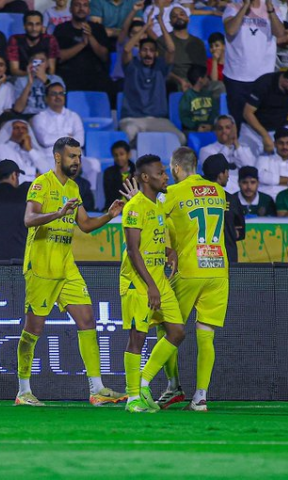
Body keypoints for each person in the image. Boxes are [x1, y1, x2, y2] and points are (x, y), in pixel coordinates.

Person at [16, 136, 127, 406]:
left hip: (66, 266)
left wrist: (110, 216)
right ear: (58, 157)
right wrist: (57, 213)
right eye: (72, 156)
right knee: (33, 329)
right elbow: (29, 219)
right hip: (41, 266)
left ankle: (97, 389)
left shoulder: (74, 188)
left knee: (87, 319)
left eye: (78, 156)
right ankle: (23, 391)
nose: (77, 161)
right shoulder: (41, 184)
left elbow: (85, 225)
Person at [153, 147, 229, 412]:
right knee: (206, 336)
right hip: (218, 269)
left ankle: (172, 385)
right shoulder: (219, 191)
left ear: (175, 168)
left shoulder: (172, 193)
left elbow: (154, 219)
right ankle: (201, 397)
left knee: (166, 327)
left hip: (189, 268)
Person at [120, 154, 186, 413]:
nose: (166, 176)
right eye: (161, 172)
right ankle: (132, 397)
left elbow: (154, 241)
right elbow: (134, 251)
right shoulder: (134, 207)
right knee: (137, 338)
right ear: (146, 177)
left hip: (159, 279)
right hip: (139, 283)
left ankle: (143, 381)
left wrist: (169, 251)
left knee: (177, 332)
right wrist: (151, 285)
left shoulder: (157, 205)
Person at [119, 18, 186, 145]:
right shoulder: (132, 66)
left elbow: (171, 49)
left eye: (151, 50)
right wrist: (144, 28)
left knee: (180, 138)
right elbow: (127, 50)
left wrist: (161, 23)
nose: (148, 54)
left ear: (156, 54)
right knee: (126, 136)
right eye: (144, 50)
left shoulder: (161, 67)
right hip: (132, 119)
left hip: (157, 120)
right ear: (139, 52)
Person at [222, 0, 286, 128]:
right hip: (237, 77)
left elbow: (280, 33)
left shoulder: (273, 8)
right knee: (238, 122)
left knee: (262, 121)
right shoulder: (233, 7)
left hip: (263, 78)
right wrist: (245, 6)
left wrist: (270, 10)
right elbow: (230, 30)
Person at [54, 0, 114, 101]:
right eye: (77, 5)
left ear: (89, 10)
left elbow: (104, 56)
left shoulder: (98, 28)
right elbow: (60, 57)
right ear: (70, 9)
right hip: (70, 75)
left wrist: (90, 37)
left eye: (85, 5)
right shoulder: (61, 29)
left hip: (95, 75)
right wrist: (82, 44)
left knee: (108, 86)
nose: (81, 8)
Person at [240, 67, 288, 157]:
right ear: (286, 81)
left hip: (280, 127)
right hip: (255, 129)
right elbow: (247, 113)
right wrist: (265, 135)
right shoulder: (264, 84)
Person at [203, 154, 245, 263]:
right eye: (227, 172)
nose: (228, 176)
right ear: (221, 174)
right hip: (228, 258)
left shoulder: (195, 200)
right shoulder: (232, 200)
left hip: (202, 258)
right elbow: (239, 233)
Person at [198, 115, 255, 195]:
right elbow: (215, 169)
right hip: (220, 192)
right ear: (215, 131)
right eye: (220, 128)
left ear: (234, 129)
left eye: (227, 128)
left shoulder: (244, 148)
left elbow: (250, 170)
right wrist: (227, 145)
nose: (224, 131)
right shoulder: (206, 150)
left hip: (242, 193)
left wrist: (236, 145)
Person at [157, 6, 207, 92]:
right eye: (174, 16)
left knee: (219, 87)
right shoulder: (162, 41)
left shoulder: (198, 42)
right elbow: (162, 69)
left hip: (196, 79)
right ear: (170, 23)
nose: (178, 17)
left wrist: (202, 81)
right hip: (174, 80)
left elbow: (203, 68)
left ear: (188, 19)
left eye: (181, 14)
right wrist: (180, 80)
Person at [0, 119, 49, 187]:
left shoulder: (32, 150)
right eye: (16, 128)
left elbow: (47, 170)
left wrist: (30, 150)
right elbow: (10, 175)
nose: (21, 131)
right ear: (9, 131)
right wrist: (35, 174)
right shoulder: (1, 149)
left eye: (24, 128)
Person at [31, 83, 84, 149]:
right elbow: (45, 140)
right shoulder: (39, 118)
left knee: (93, 160)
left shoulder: (74, 116)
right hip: (51, 156)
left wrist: (54, 138)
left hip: (74, 156)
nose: (58, 97)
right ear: (46, 98)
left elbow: (80, 141)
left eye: (61, 93)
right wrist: (68, 136)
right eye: (54, 94)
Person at [7, 10, 60, 77]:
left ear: (42, 26)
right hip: (21, 79)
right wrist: (32, 76)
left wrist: (42, 78)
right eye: (30, 24)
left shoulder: (50, 39)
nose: (34, 28)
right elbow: (14, 70)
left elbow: (51, 70)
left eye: (37, 24)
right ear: (24, 26)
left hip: (44, 79)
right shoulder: (15, 39)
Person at [13, 51, 66, 116]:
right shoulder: (21, 81)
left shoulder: (56, 79)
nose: (39, 64)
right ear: (30, 64)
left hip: (50, 114)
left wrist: (45, 80)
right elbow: (18, 109)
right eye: (35, 61)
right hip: (28, 116)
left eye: (42, 61)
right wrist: (29, 83)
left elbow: (59, 104)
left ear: (47, 64)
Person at [255, 128, 288, 199]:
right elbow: (260, 176)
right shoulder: (264, 159)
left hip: (287, 203)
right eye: (281, 143)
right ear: (275, 144)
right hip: (266, 201)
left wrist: (271, 178)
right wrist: (287, 180)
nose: (284, 147)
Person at [178, 65, 219, 133]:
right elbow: (184, 116)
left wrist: (210, 125)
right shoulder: (187, 96)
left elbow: (214, 111)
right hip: (192, 130)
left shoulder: (209, 94)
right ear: (200, 79)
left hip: (209, 128)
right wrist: (196, 127)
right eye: (206, 77)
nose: (208, 79)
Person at [103, 140, 135, 210]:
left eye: (121, 154)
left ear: (128, 154)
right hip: (113, 209)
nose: (119, 158)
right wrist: (123, 186)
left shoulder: (137, 172)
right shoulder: (108, 173)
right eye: (115, 155)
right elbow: (110, 196)